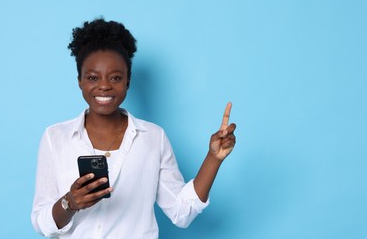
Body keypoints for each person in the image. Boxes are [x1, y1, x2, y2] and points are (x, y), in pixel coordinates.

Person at [31, 18, 236, 238]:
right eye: (92, 77)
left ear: (128, 81)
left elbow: (182, 213)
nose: (104, 85)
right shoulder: (55, 137)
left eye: (115, 77)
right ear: (80, 81)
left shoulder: (153, 137)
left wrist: (214, 158)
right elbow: (41, 222)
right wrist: (70, 203)